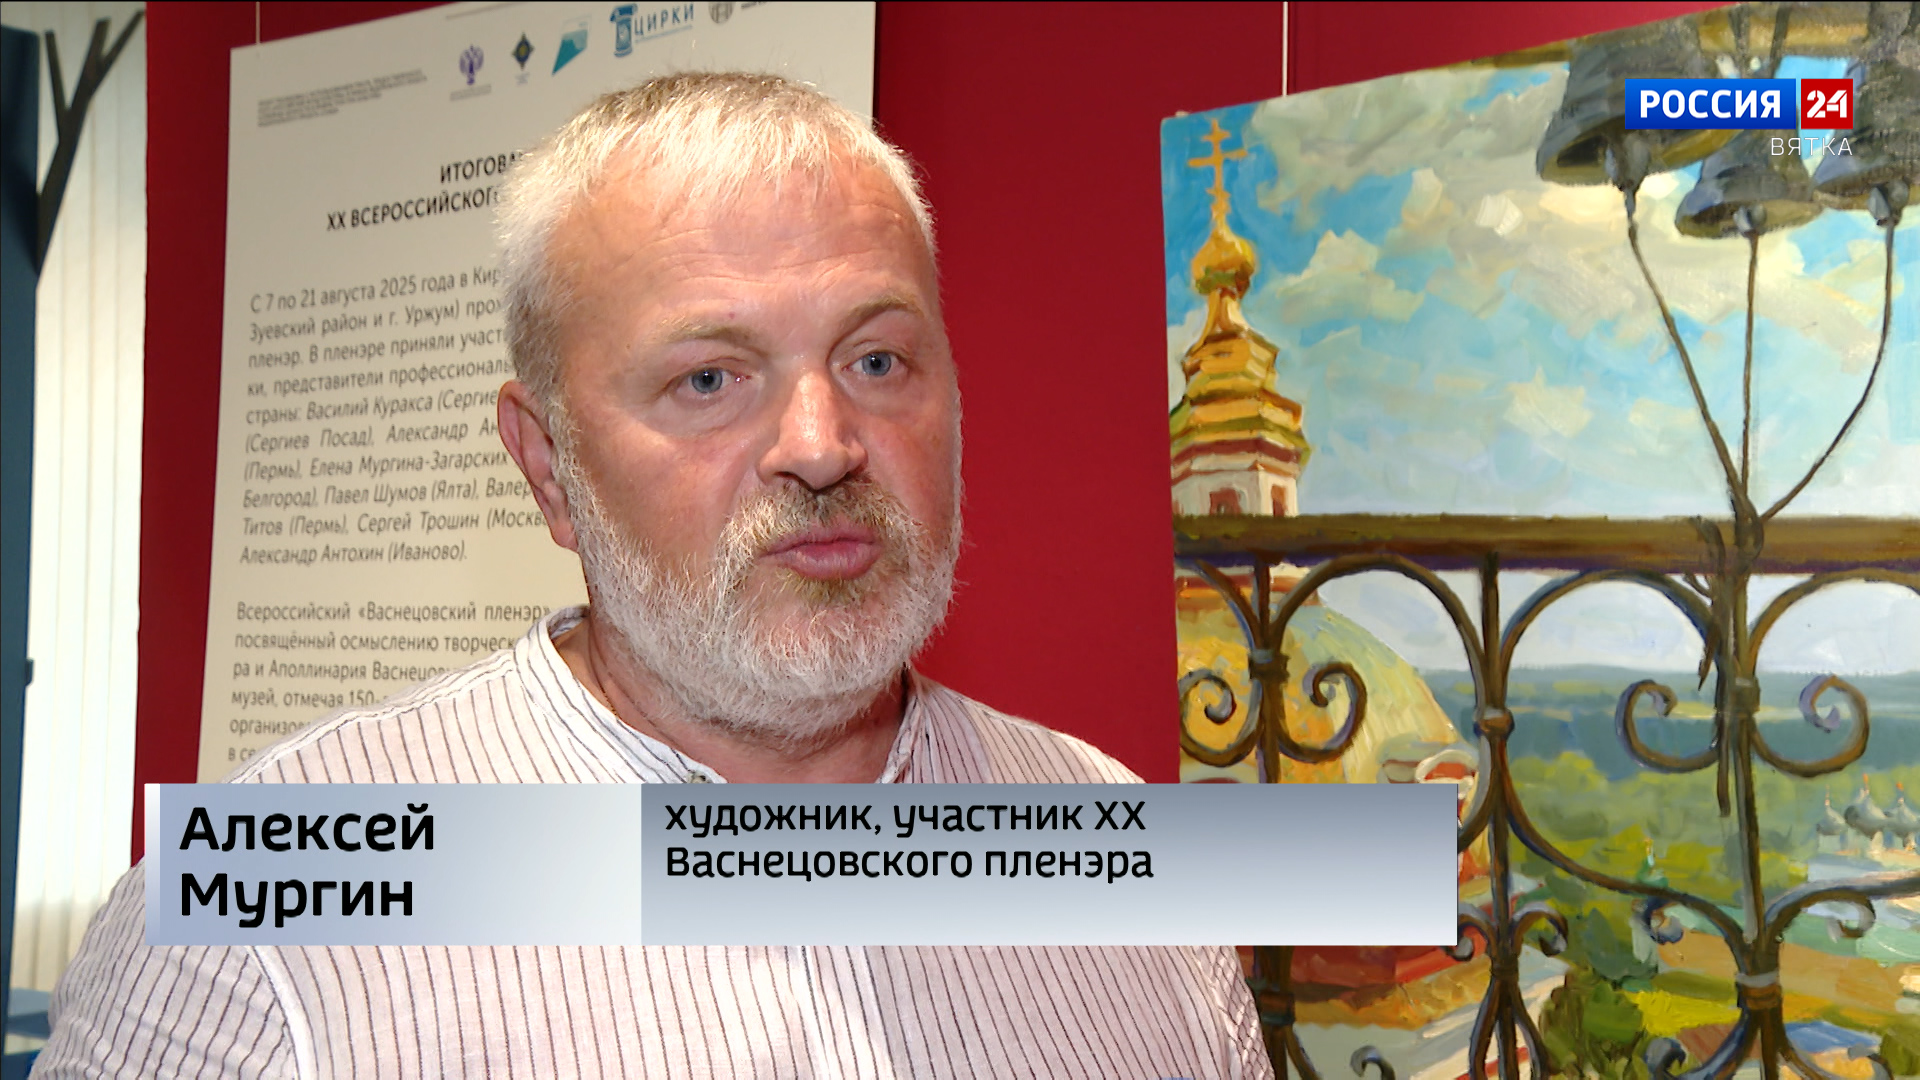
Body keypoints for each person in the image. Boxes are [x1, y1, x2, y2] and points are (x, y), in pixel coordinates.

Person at [35, 73, 1270, 1078]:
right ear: (550, 466)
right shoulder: (255, 935)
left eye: (877, 361)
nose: (822, 445)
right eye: (708, 379)